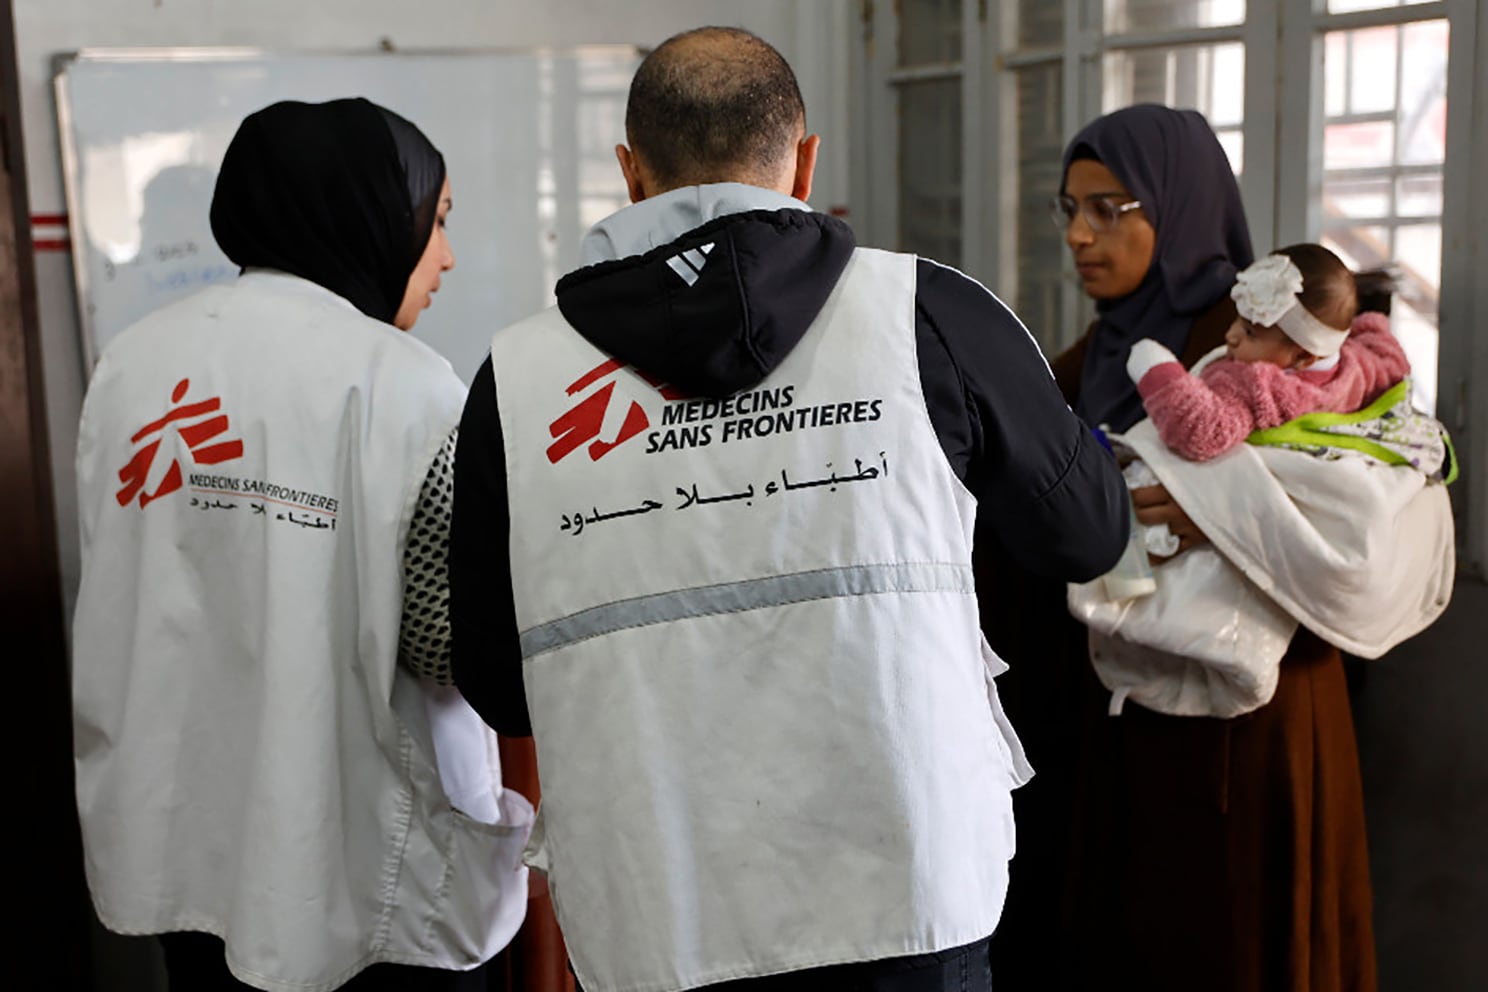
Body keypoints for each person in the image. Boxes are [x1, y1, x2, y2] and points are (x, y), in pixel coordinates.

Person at [449, 26, 1128, 992]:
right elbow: (1087, 533)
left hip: (656, 914)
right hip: (908, 898)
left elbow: (499, 686)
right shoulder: (929, 315)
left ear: (632, 174)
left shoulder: (516, 382)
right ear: (806, 163)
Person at [72, 97, 531, 992]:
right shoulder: (407, 387)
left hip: (189, 849)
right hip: (367, 882)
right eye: (434, 224)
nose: (445, 258)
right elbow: (445, 648)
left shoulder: (132, 361)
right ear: (367, 216)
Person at [1039, 104, 1378, 991]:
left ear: (1177, 204)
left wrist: (1219, 508)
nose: (1080, 234)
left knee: (1238, 935)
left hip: (1255, 713)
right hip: (1133, 699)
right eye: (1069, 208)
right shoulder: (1091, 358)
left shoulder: (1263, 347)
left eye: (1110, 209)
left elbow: (1358, 493)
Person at [1128, 244, 1411, 461]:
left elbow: (1205, 431)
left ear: (1303, 357)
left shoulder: (1260, 387)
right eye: (1238, 319)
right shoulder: (1361, 366)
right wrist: (1368, 324)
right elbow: (1389, 356)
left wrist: (1155, 367)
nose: (1231, 336)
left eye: (1250, 332)